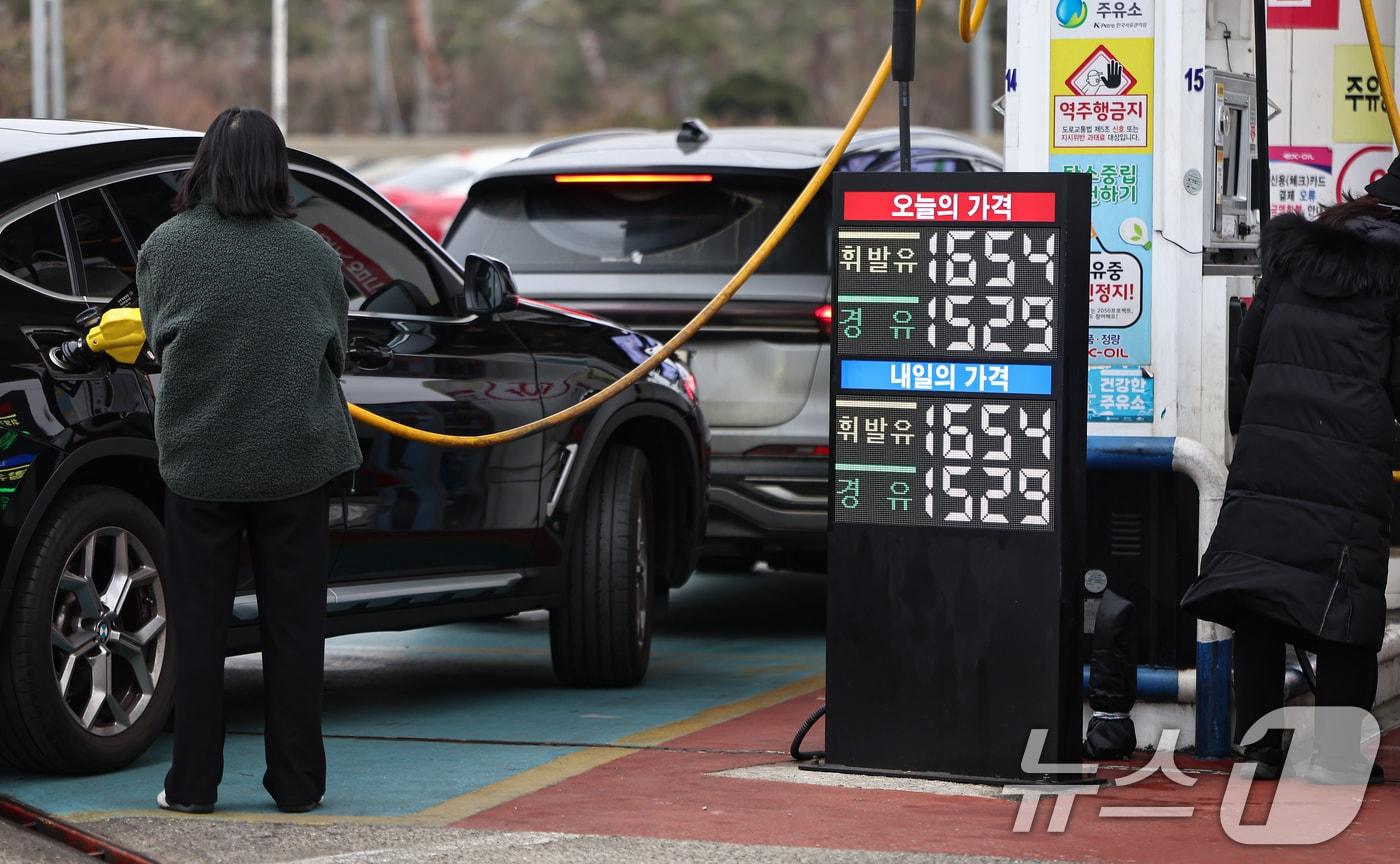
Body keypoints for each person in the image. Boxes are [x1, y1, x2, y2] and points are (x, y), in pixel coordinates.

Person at [137, 107, 362, 813]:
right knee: (294, 631)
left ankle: (193, 786)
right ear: (277, 169)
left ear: (204, 166)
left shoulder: (165, 247)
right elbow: (338, 355)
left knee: (199, 632)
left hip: (200, 467)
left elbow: (154, 340)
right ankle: (297, 785)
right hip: (296, 465)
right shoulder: (315, 253)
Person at [1181, 162, 1400, 783]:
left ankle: (1262, 748)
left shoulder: (1294, 256)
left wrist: (1265, 426)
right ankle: (1335, 757)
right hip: (1350, 458)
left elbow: (1246, 354)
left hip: (1268, 449)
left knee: (1262, 592)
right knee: (1343, 601)